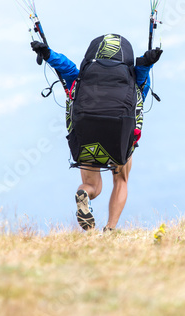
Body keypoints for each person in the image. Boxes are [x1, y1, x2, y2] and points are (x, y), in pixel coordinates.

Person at [31, 33, 162, 231]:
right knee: (121, 179)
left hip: (87, 134)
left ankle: (84, 193)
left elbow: (64, 65)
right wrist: (147, 62)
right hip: (119, 138)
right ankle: (110, 228)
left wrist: (48, 54)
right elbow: (142, 80)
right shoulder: (132, 77)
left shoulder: (81, 77)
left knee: (92, 185)